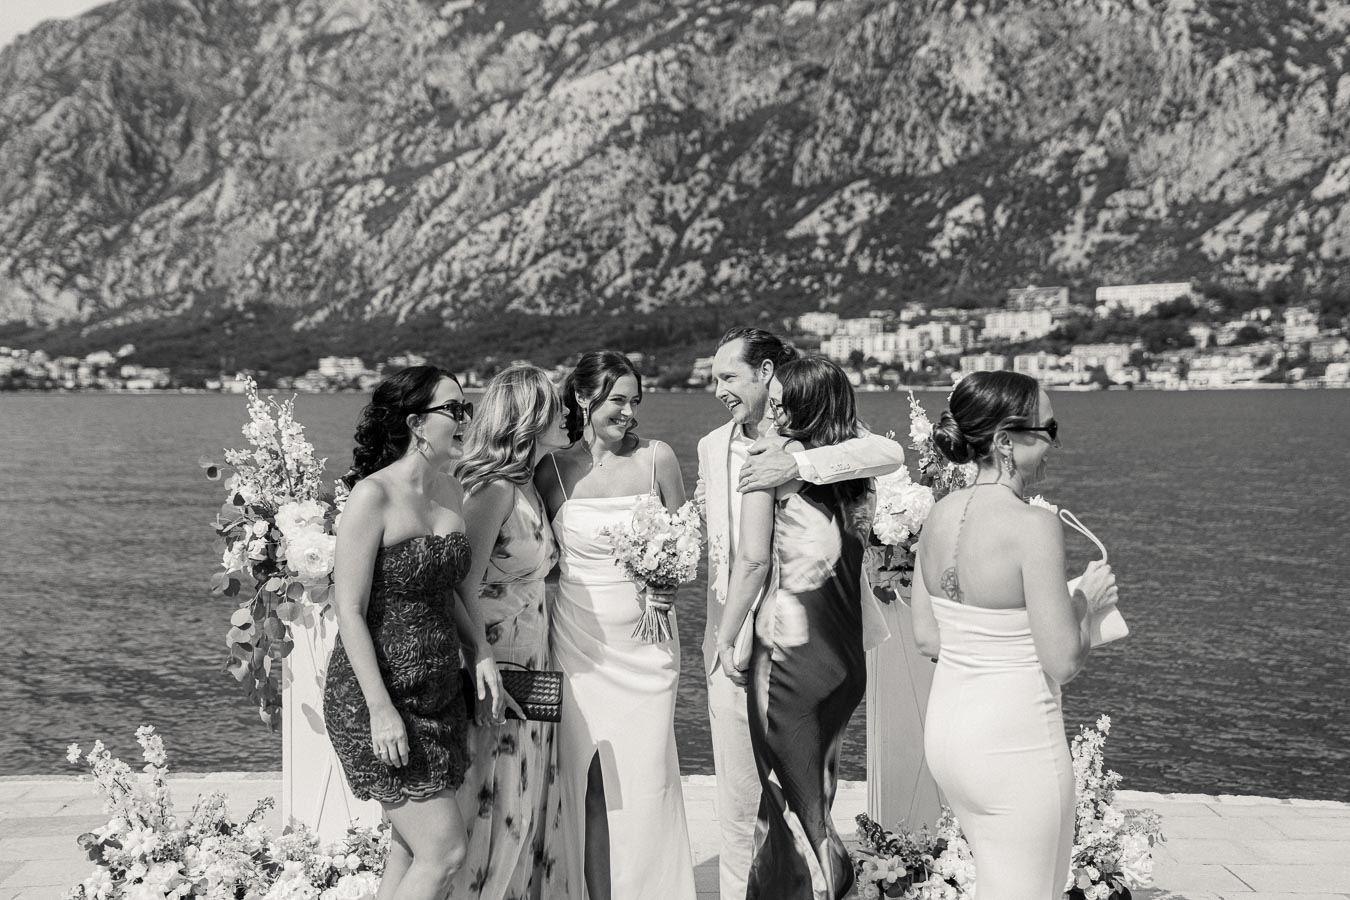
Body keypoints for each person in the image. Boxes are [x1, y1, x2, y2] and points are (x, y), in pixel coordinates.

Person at [695, 326, 904, 900]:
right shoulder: (714, 448)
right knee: (747, 793)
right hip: (755, 636)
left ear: (767, 374)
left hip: (778, 643)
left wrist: (794, 463)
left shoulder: (815, 449)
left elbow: (888, 452)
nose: (717, 390)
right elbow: (722, 545)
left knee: (781, 791)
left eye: (728, 376)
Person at [910, 371, 1119, 900]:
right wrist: (1085, 601)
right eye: (1046, 428)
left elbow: (929, 639)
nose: (1053, 442)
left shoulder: (936, 517)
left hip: (950, 739)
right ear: (1005, 440)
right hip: (1014, 742)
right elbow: (1063, 660)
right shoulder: (1032, 526)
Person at [324, 365, 505, 900]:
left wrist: (482, 653)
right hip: (375, 699)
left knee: (409, 850)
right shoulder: (371, 497)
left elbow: (453, 590)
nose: (465, 418)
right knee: (444, 852)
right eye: (453, 409)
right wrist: (381, 710)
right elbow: (349, 608)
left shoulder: (450, 490)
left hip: (440, 695)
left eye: (465, 407)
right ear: (416, 423)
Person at [535, 350, 697, 900]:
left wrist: (668, 579)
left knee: (648, 780)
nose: (628, 413)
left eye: (634, 401)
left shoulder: (658, 458)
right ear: (584, 398)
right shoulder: (551, 469)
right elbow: (538, 556)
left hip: (649, 647)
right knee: (592, 781)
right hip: (580, 644)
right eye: (616, 400)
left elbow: (688, 541)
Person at [444, 366, 572, 899]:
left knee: (523, 804)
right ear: (531, 417)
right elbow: (458, 586)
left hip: (532, 659)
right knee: (494, 805)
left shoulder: (528, 486)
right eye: (558, 407)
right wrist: (481, 662)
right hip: (497, 666)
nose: (569, 415)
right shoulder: (493, 490)